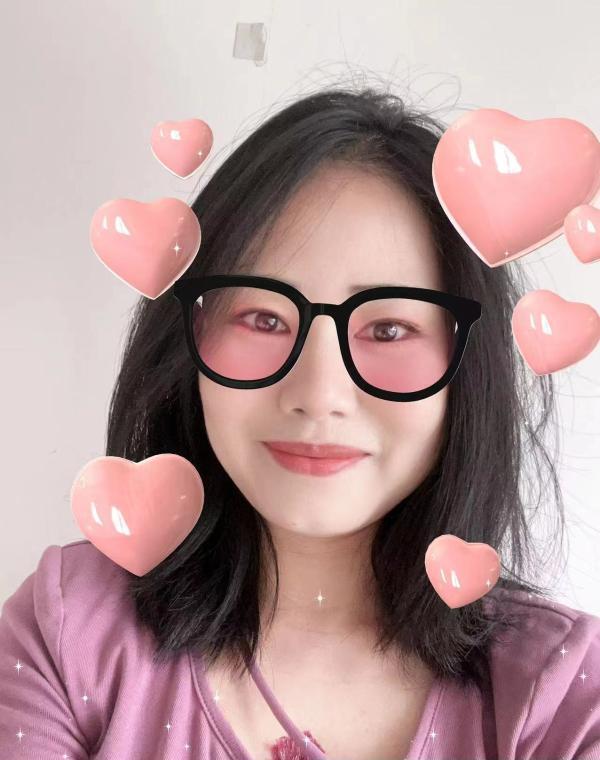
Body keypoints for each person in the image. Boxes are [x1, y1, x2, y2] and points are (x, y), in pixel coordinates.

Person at [1, 84, 599, 760]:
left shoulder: (564, 695)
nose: (319, 395)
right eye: (262, 318)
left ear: (470, 367)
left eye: (389, 328)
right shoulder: (70, 631)